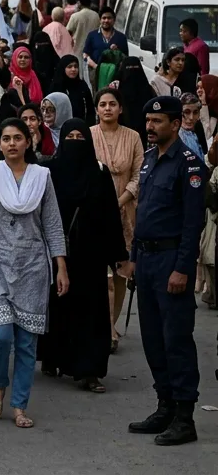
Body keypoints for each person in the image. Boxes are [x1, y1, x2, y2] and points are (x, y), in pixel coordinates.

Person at [0, 98, 68, 428]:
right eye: (5, 139)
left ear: (28, 141)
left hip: (33, 267)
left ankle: (19, 405)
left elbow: (52, 223)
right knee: (0, 336)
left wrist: (61, 266)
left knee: (25, 343)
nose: (10, 144)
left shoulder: (41, 176)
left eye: (16, 138)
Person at [126, 96, 206, 446]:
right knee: (153, 338)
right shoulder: (148, 160)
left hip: (171, 261)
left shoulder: (189, 164)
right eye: (149, 120)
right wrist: (131, 257)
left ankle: (185, 417)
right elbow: (143, 213)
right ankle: (165, 406)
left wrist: (183, 270)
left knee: (176, 338)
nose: (150, 126)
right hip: (145, 259)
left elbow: (192, 224)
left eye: (158, 121)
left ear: (175, 124)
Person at [38, 119, 127, 392]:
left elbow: (111, 214)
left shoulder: (99, 174)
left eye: (80, 137)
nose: (75, 141)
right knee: (58, 307)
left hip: (91, 254)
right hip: (57, 253)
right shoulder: (49, 172)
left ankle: (89, 371)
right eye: (70, 136)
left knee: (91, 312)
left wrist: (117, 253)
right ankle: (53, 357)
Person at [91, 87, 144, 351]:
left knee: (122, 272)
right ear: (97, 109)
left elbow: (139, 174)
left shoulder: (133, 137)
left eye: (113, 104)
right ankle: (105, 328)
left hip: (126, 212)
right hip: (95, 214)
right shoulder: (89, 135)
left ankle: (113, 321)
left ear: (120, 109)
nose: (108, 108)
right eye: (103, 104)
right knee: (103, 276)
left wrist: (120, 200)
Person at [83, 7, 128, 90]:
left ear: (114, 20)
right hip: (95, 71)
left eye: (109, 18)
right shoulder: (92, 35)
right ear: (100, 20)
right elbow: (86, 53)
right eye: (104, 18)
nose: (106, 20)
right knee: (97, 95)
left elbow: (125, 58)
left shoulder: (121, 37)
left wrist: (117, 51)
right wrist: (94, 66)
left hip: (114, 74)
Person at [51, 54, 96, 123]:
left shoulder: (82, 85)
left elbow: (90, 108)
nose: (73, 69)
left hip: (82, 125)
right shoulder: (57, 87)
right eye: (69, 67)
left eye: (76, 66)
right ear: (63, 68)